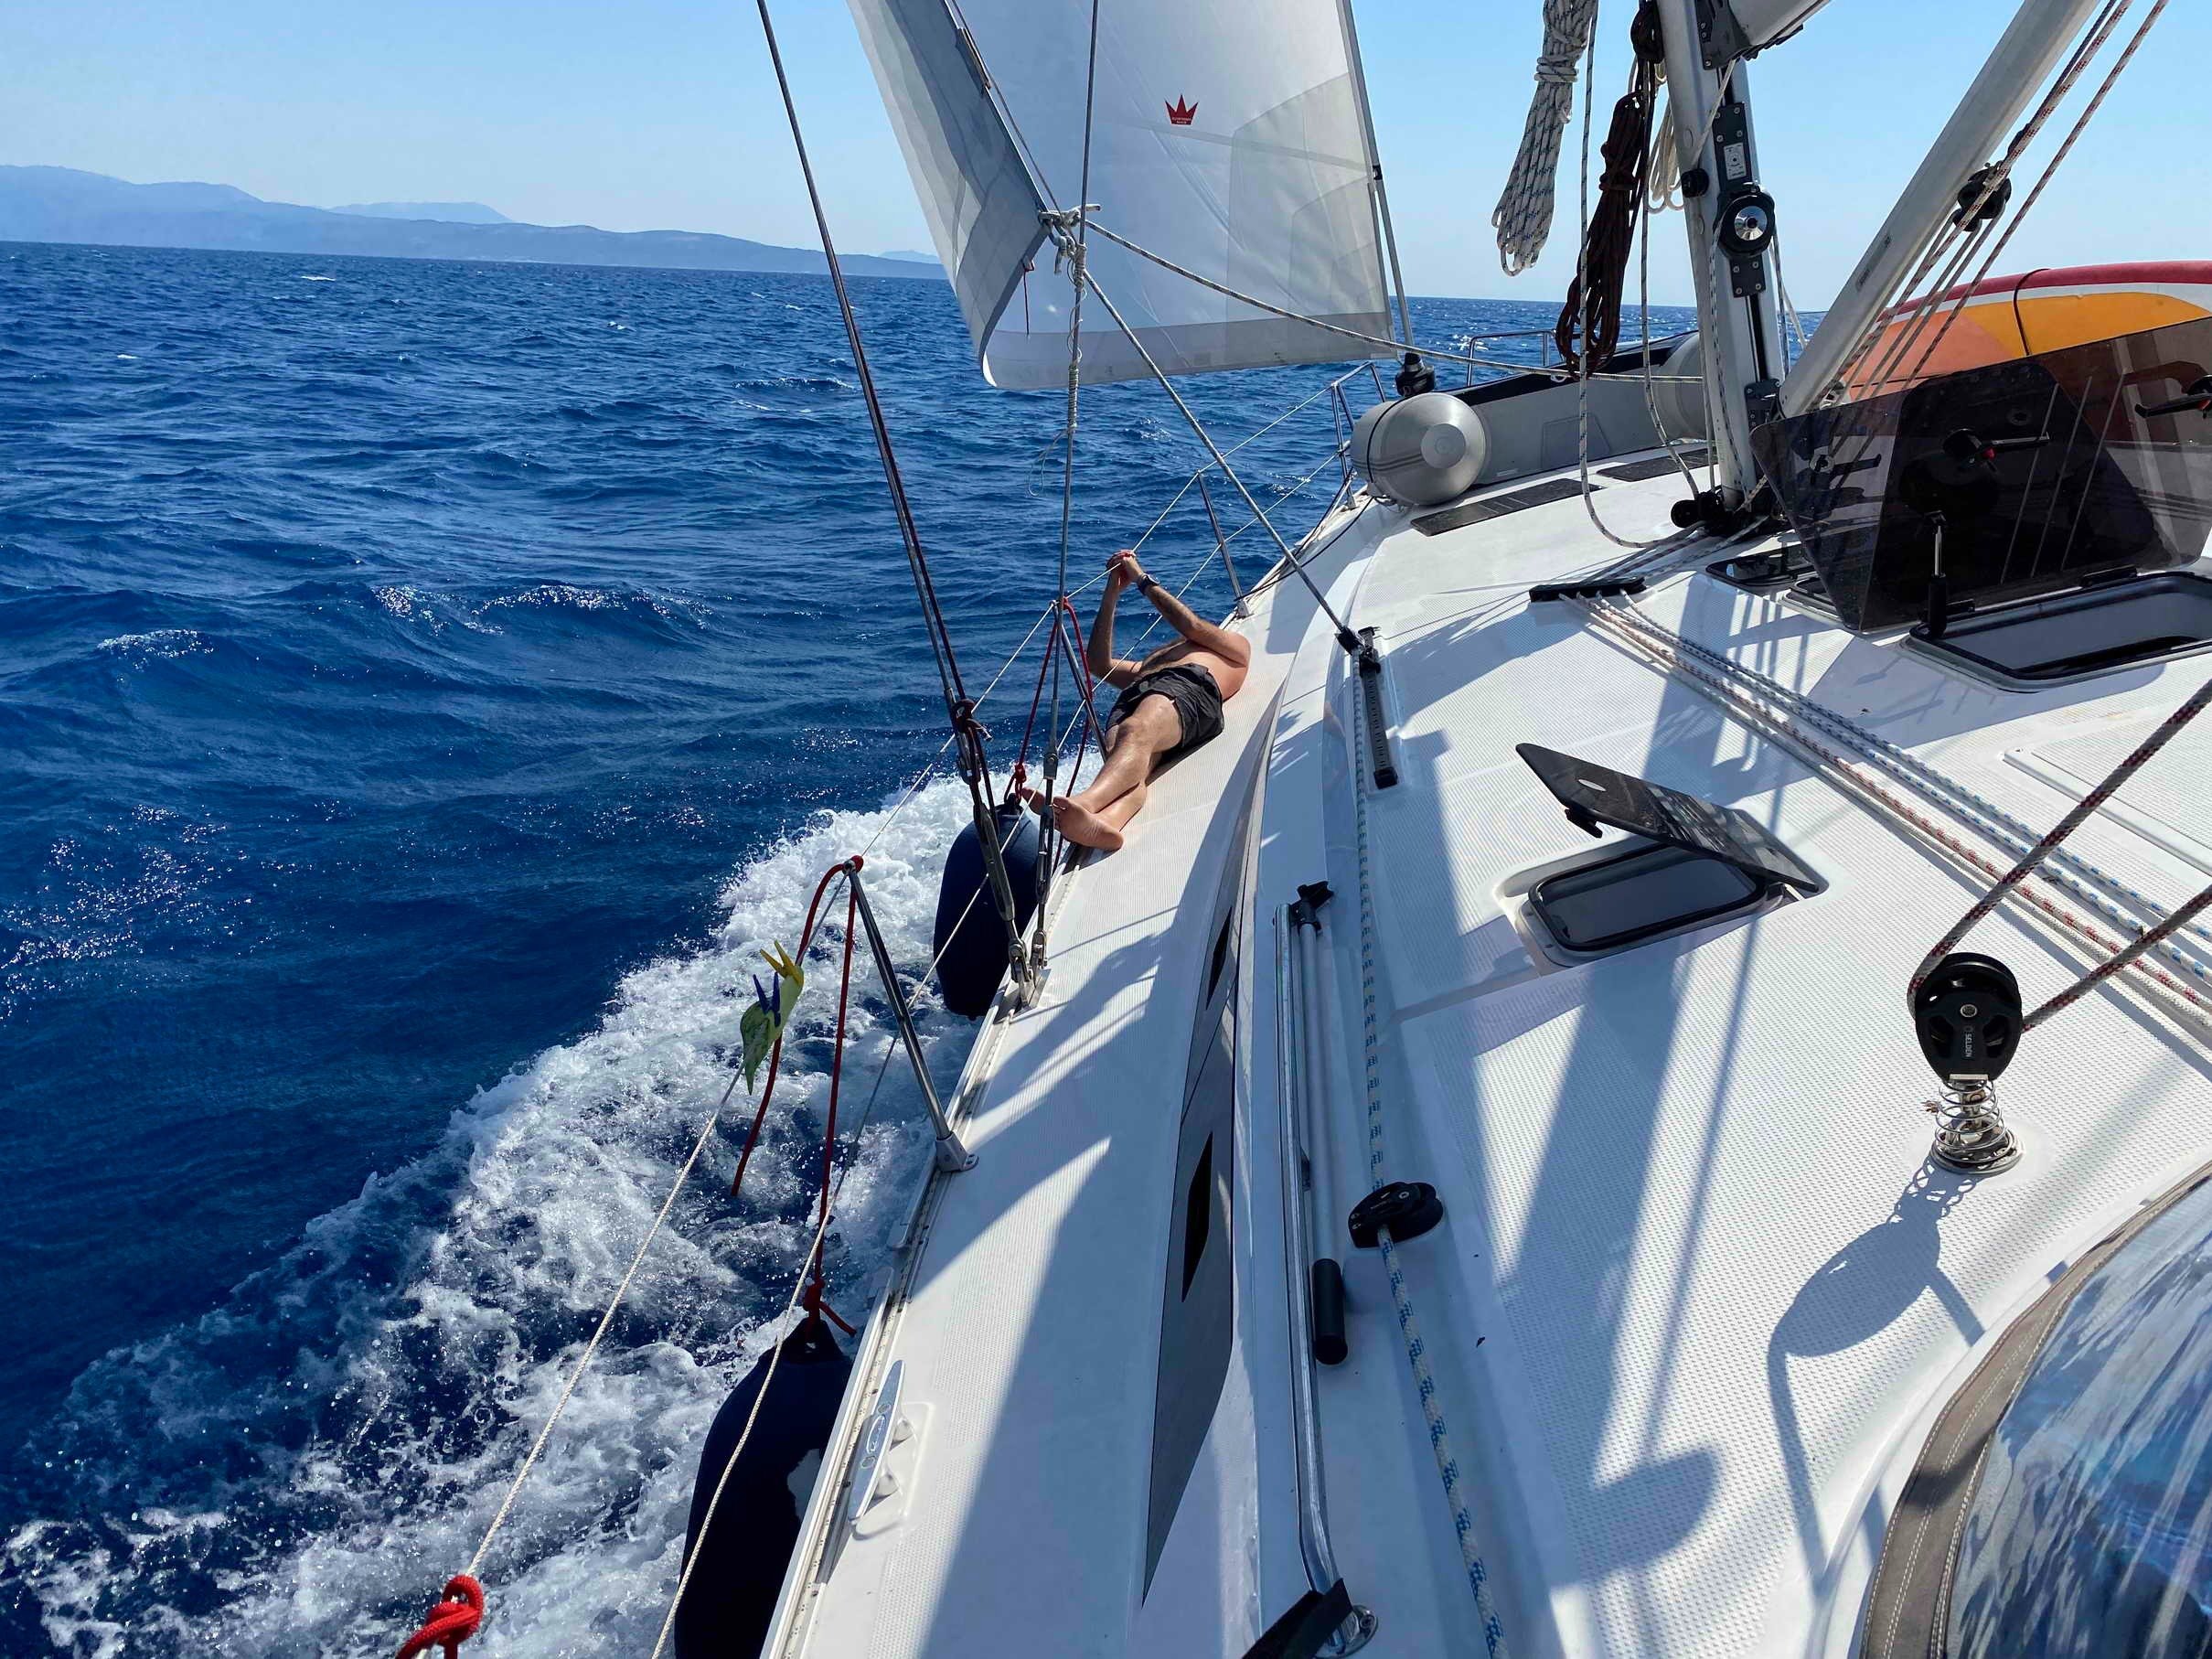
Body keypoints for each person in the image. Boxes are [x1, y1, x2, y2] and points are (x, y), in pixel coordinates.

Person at [1029, 549, 1251, 852]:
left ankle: (1083, 803)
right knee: (1128, 751)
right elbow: (1099, 665)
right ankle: (1108, 823)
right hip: (1146, 692)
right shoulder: (1150, 665)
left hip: (1190, 686)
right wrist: (1112, 592)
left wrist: (1140, 578)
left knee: (1135, 729)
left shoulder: (1234, 647)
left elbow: (1192, 627)